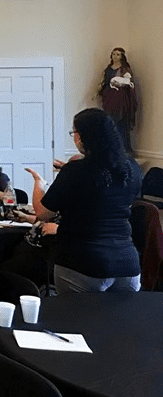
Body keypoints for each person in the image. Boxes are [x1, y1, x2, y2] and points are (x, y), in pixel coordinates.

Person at [27, 107, 142, 294]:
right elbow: (106, 197)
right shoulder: (131, 169)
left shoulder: (75, 171)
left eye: (74, 132)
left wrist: (39, 184)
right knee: (119, 323)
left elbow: (42, 212)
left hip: (83, 262)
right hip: (127, 263)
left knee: (75, 321)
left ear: (82, 136)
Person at [98, 47, 136, 154]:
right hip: (110, 98)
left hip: (121, 99)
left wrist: (121, 85)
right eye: (114, 54)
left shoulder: (125, 69)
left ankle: (124, 149)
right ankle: (112, 149)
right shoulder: (108, 69)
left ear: (122, 56)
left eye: (118, 54)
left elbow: (129, 84)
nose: (115, 56)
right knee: (110, 122)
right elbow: (104, 83)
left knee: (121, 122)